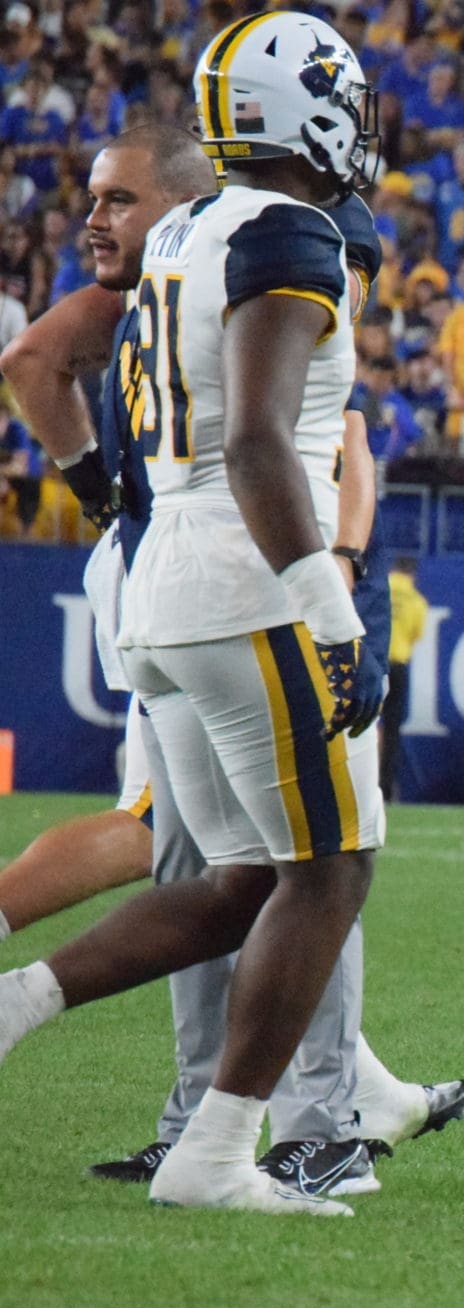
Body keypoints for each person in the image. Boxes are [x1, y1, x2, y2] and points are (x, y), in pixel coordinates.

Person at [0, 15, 392, 1216]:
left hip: (163, 579)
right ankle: (215, 1154)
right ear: (304, 114)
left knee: (240, 880)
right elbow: (261, 443)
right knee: (330, 871)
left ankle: (17, 1001)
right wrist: (332, 612)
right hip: (245, 583)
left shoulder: (183, 228)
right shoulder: (289, 233)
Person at [383, 557, 427, 801]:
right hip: (397, 664)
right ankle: (385, 788)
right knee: (391, 729)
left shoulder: (378, 591)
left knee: (359, 724)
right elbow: (415, 636)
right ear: (413, 575)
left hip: (370, 660)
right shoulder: (417, 601)